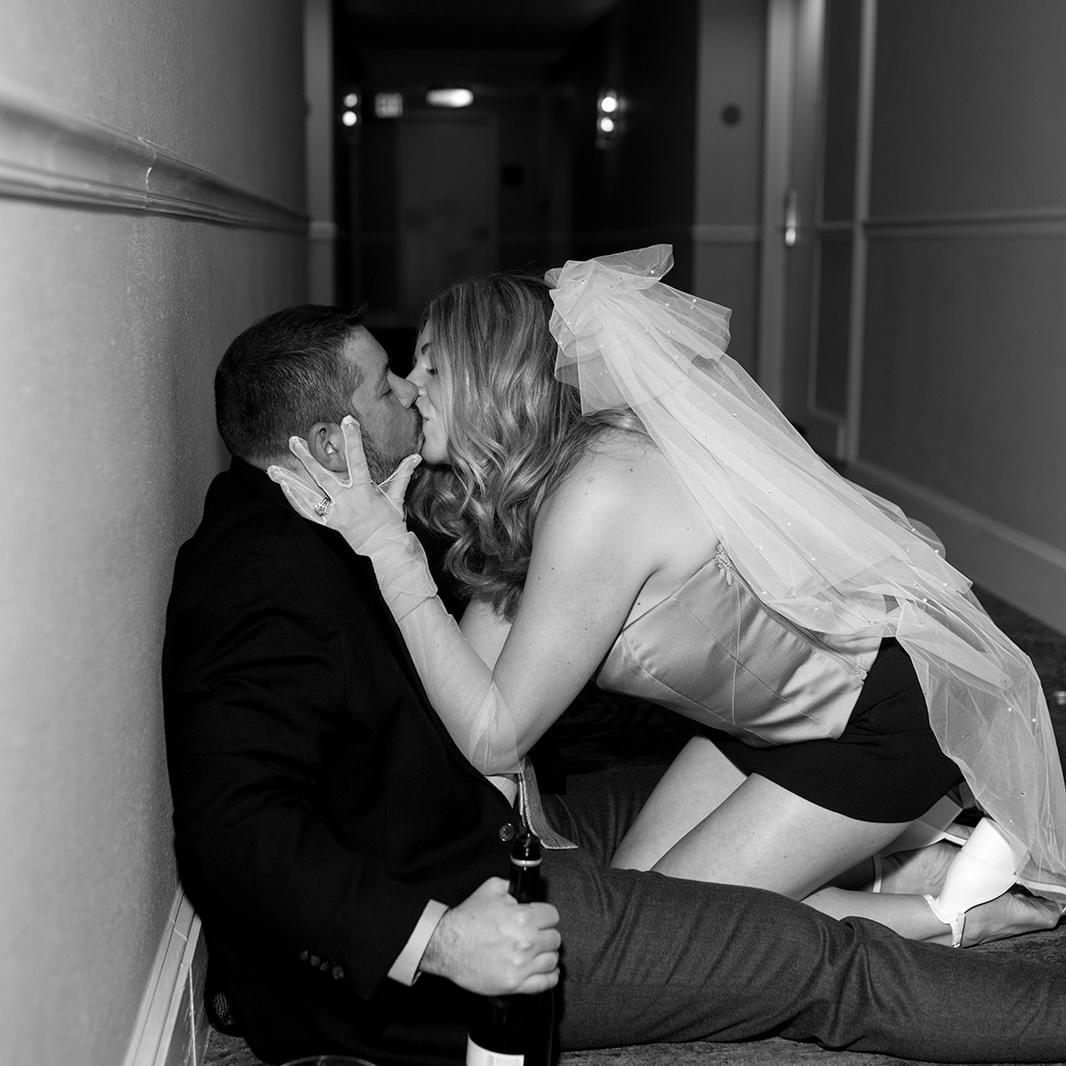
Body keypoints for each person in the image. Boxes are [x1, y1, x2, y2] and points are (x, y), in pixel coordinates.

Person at [162, 301, 1066, 1066]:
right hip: (761, 727)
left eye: (427, 369)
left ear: (491, 384)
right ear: (331, 442)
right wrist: (480, 874)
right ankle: (950, 902)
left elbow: (494, 728)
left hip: (871, 721)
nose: (409, 387)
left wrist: (393, 550)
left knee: (787, 957)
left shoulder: (591, 491)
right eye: (395, 379)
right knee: (662, 900)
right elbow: (465, 702)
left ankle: (961, 926)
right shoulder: (304, 557)